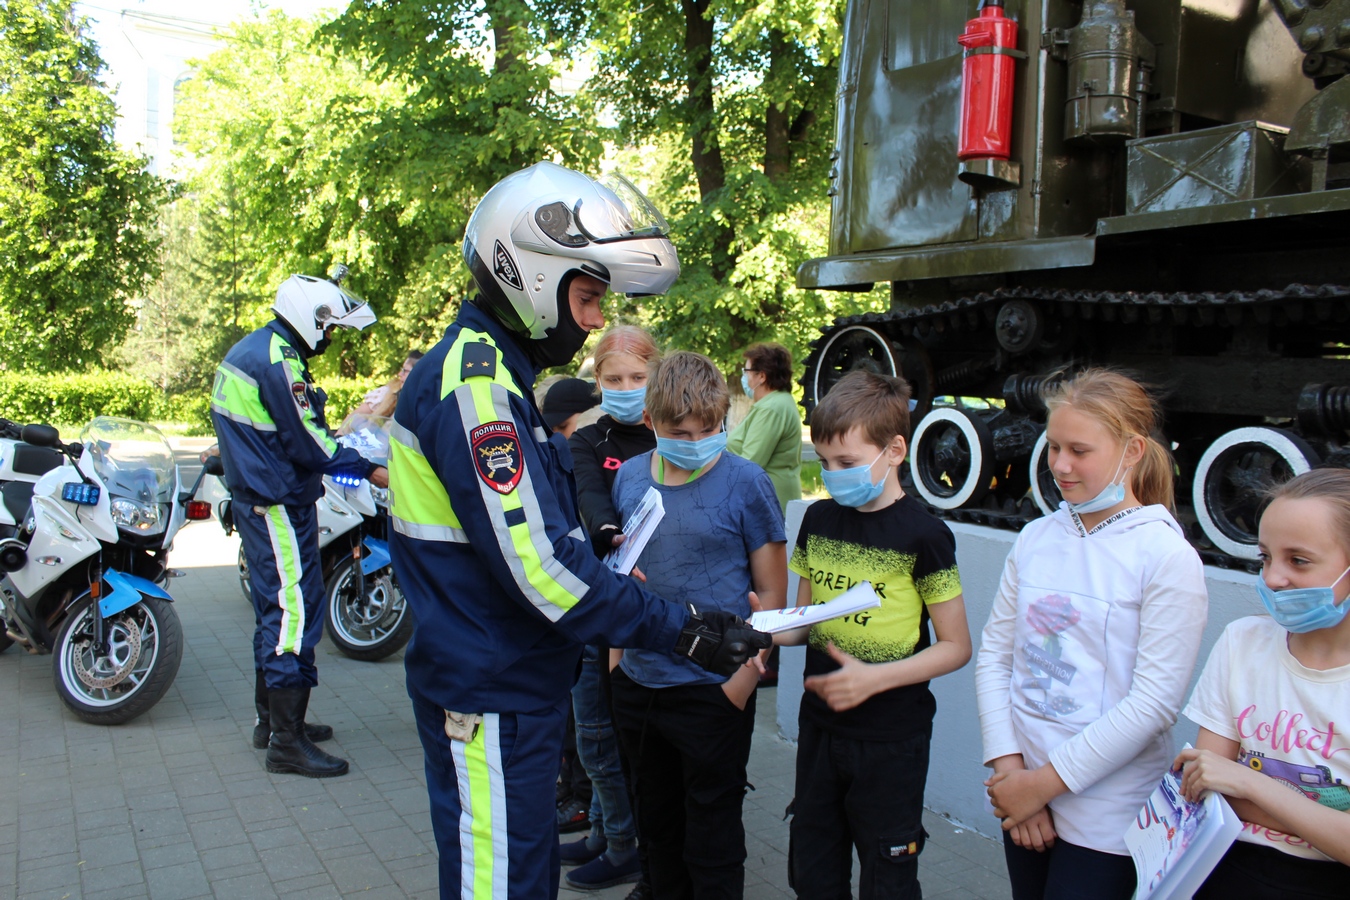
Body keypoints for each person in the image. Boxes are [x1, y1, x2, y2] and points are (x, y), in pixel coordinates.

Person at [386, 161, 772, 900]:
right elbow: (539, 574)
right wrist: (685, 629)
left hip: (506, 678)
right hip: (492, 687)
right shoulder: (478, 391)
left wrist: (596, 561)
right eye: (589, 296)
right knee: (500, 886)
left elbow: (533, 541)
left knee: (521, 879)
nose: (595, 319)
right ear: (531, 273)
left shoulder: (496, 376)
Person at [974, 368, 1208, 900]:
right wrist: (1011, 772)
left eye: (1079, 450)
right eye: (1054, 446)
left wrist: (1042, 786)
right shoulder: (1036, 537)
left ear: (1131, 451)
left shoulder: (1165, 556)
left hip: (1107, 821)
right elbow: (995, 657)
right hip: (1023, 794)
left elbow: (1153, 704)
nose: (1059, 464)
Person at [775, 370, 971, 899]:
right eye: (826, 463)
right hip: (819, 730)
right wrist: (763, 631)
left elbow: (956, 646)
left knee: (888, 878)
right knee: (813, 872)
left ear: (895, 450)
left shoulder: (926, 536)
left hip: (891, 741)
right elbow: (804, 623)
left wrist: (876, 679)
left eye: (849, 463)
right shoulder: (817, 520)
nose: (835, 475)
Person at [608, 350, 788, 900]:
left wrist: (740, 686)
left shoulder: (746, 482)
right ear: (651, 423)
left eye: (707, 430)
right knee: (657, 833)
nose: (694, 441)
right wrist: (617, 671)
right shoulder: (634, 477)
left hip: (715, 690)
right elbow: (621, 580)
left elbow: (774, 598)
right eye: (678, 432)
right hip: (639, 686)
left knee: (712, 841)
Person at [209, 270, 389, 777]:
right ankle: (285, 743)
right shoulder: (278, 361)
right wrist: (370, 468)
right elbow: (311, 442)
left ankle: (273, 722)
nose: (331, 338)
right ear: (310, 318)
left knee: (278, 608)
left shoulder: (257, 348)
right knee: (291, 612)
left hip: (264, 499)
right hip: (277, 504)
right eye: (329, 328)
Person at [1174, 468, 1350, 898]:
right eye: (1265, 557)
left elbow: (1228, 780)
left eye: (1299, 560)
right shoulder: (1243, 642)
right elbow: (1205, 786)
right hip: (1223, 864)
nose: (1272, 578)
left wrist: (1249, 782)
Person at [562, 324, 661, 895]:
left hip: (646, 606)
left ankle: (624, 843)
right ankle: (604, 828)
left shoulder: (669, 435)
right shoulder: (588, 439)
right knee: (591, 729)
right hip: (601, 595)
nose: (626, 387)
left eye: (638, 378)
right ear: (598, 381)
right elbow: (589, 496)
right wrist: (608, 532)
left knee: (609, 734)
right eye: (614, 378)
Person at [727, 342, 801, 514]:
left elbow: (750, 463)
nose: (744, 378)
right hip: (770, 499)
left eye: (746, 372)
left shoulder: (770, 408)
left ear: (761, 376)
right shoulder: (777, 402)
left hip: (768, 503)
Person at [338, 349, 424, 432]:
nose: (400, 374)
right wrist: (338, 438)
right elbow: (351, 419)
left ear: (417, 374)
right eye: (402, 370)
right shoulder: (387, 392)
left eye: (405, 371)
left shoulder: (423, 407)